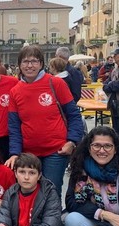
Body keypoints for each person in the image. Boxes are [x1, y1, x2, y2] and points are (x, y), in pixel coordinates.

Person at [6, 45, 84, 196]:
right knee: (29, 192)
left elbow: (74, 115)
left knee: (51, 192)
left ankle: (53, 220)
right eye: (25, 61)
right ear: (20, 65)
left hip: (56, 151)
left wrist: (71, 141)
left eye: (34, 61)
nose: (30, 65)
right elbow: (14, 126)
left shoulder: (55, 83)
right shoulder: (15, 91)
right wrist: (15, 153)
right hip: (29, 152)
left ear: (41, 64)